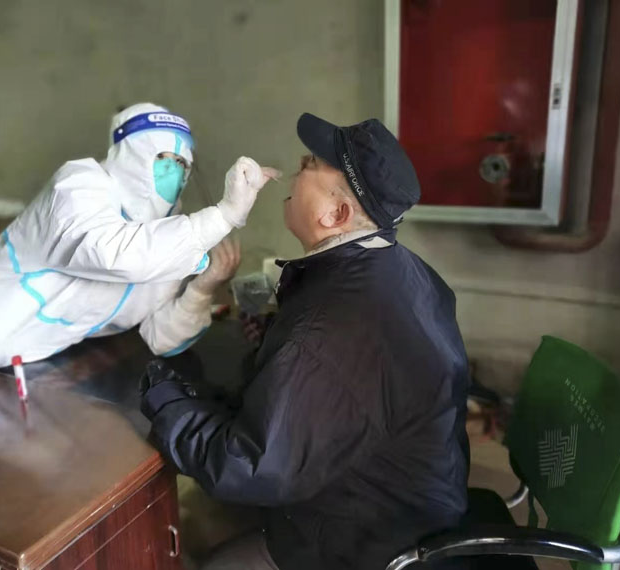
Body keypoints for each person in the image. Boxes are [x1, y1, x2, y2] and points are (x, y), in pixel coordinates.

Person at [139, 112, 470, 570]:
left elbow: (248, 467)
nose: (297, 165)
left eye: (310, 163)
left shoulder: (330, 329)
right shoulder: (397, 268)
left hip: (366, 538)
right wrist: (277, 343)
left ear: (335, 215)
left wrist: (164, 400)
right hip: (409, 495)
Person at [0, 103, 279, 388]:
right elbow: (114, 255)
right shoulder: (77, 187)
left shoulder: (166, 234)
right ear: (129, 156)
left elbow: (160, 336)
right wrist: (223, 216)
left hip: (48, 362)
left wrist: (203, 287)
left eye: (182, 163)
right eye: (161, 159)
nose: (173, 172)